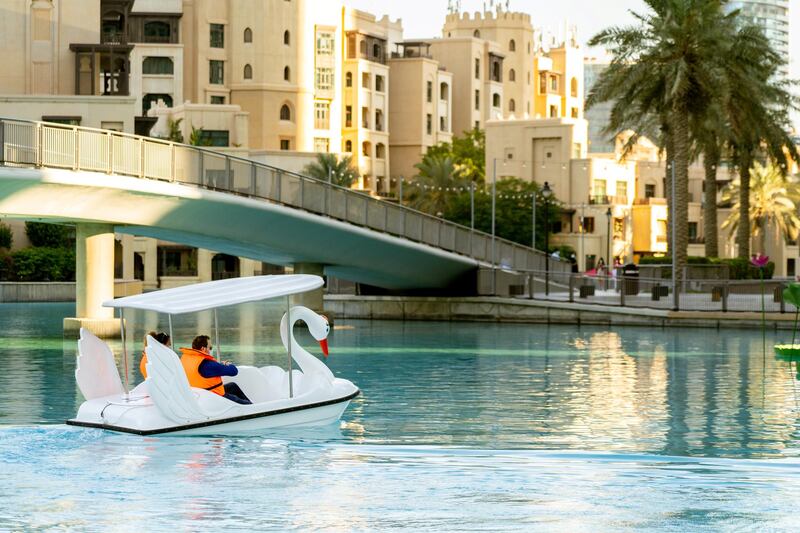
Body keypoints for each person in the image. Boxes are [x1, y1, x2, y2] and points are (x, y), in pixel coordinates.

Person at [180, 334, 251, 405]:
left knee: (232, 386)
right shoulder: (207, 365)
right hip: (214, 398)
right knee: (247, 404)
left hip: (199, 395)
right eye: (210, 348)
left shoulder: (186, 360)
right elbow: (234, 371)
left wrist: (218, 366)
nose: (211, 350)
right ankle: (252, 407)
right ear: (203, 349)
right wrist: (227, 364)